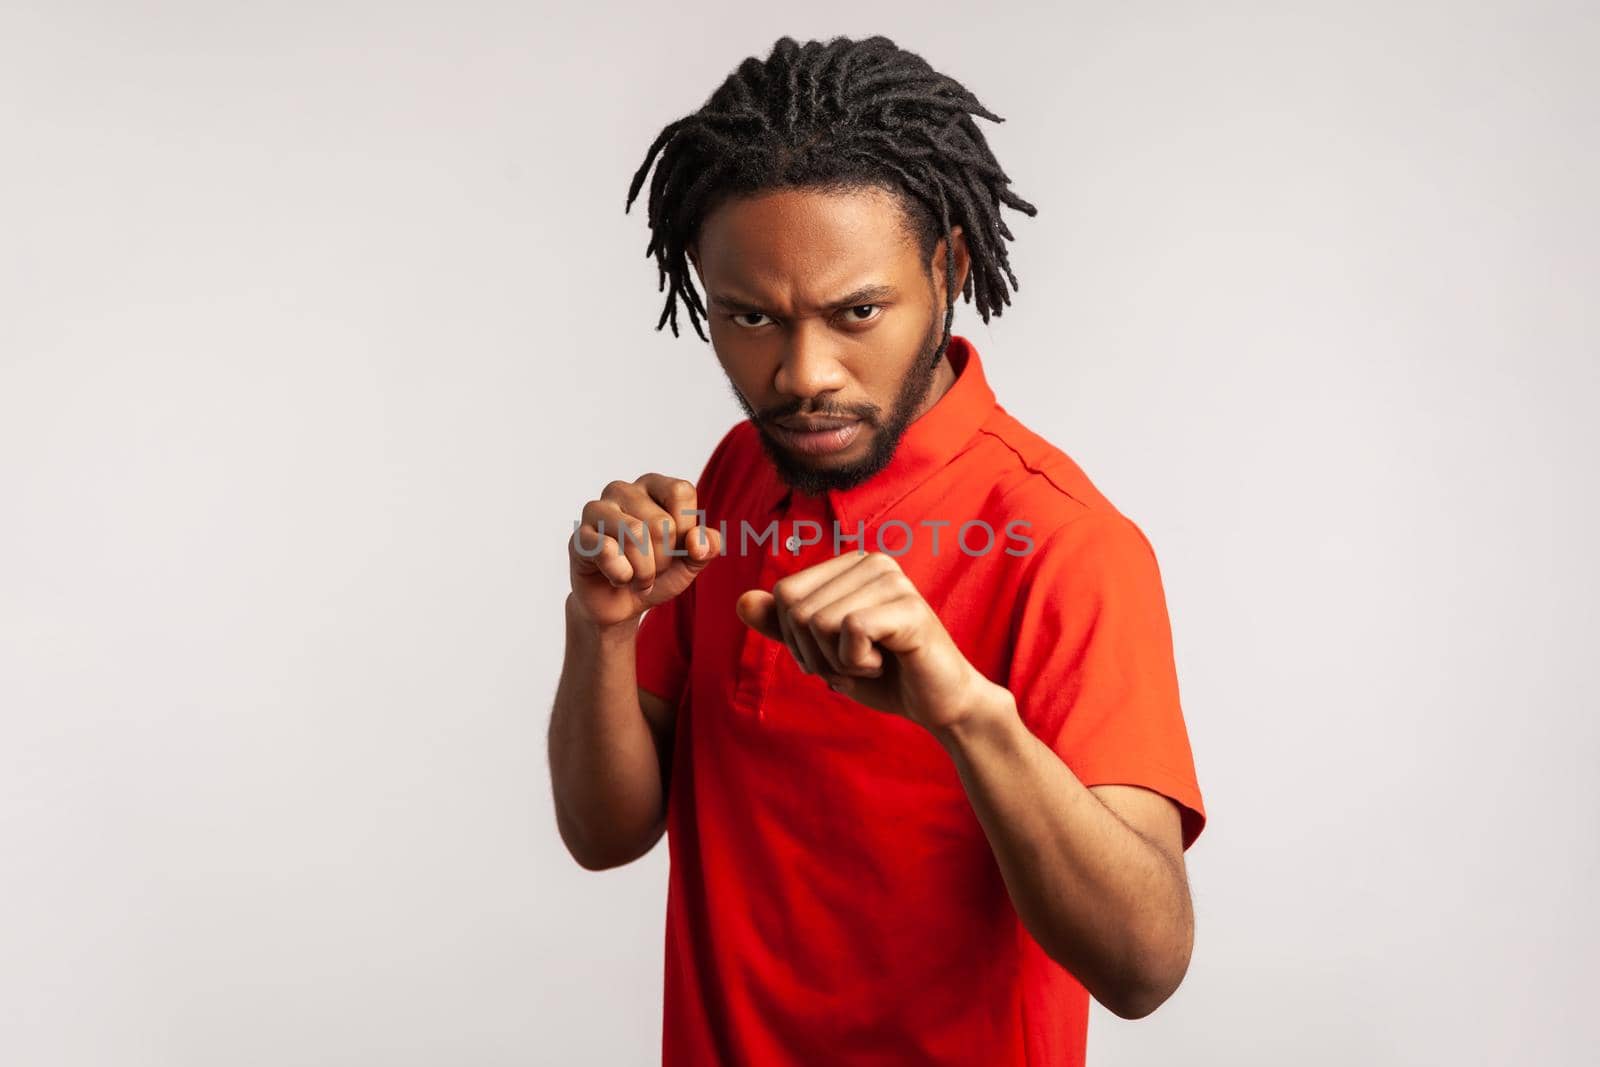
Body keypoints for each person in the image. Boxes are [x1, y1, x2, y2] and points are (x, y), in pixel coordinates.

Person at [548, 34, 1208, 1066]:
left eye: (857, 312)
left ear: (945, 267)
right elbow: (606, 834)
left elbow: (1144, 965)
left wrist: (962, 711)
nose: (801, 373)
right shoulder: (738, 473)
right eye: (750, 316)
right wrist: (602, 630)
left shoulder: (1066, 544)